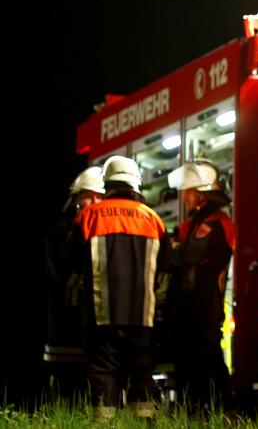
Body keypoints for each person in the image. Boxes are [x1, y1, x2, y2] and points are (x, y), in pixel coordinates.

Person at [72, 156, 171, 420]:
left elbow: (69, 261)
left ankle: (104, 424)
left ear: (108, 184)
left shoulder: (89, 216)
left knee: (103, 372)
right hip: (143, 316)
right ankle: (144, 423)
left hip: (101, 313)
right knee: (142, 372)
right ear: (135, 184)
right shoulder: (153, 219)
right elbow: (167, 265)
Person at [165, 159, 235, 411]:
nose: (184, 197)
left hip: (204, 306)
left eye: (188, 192)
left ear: (202, 195)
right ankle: (193, 413)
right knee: (189, 363)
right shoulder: (197, 223)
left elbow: (188, 256)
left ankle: (226, 411)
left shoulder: (215, 223)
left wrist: (172, 249)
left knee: (210, 359)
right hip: (191, 307)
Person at [44, 166, 104, 398]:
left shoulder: (99, 230)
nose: (96, 202)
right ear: (78, 199)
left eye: (100, 196)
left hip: (91, 324)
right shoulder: (61, 232)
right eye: (91, 196)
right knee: (65, 385)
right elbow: (60, 277)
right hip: (65, 323)